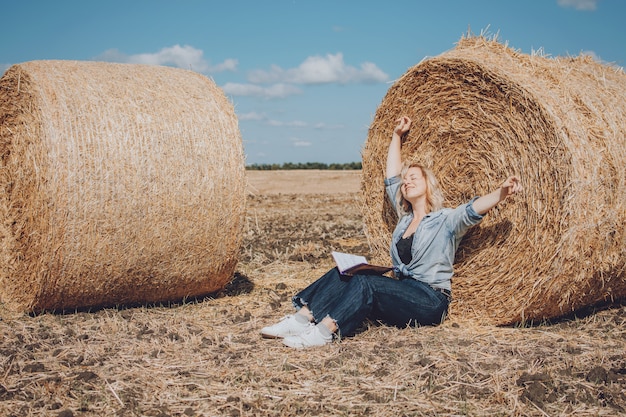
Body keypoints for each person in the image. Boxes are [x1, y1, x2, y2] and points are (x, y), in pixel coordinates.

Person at [261, 116, 522, 348]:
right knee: (346, 272)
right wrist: (397, 135)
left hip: (429, 300)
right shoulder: (404, 219)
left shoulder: (445, 220)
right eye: (406, 180)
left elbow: (471, 210)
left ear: (428, 185)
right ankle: (300, 319)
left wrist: (501, 192)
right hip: (403, 293)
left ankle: (324, 332)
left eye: (414, 178)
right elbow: (392, 178)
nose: (407, 182)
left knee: (366, 283)